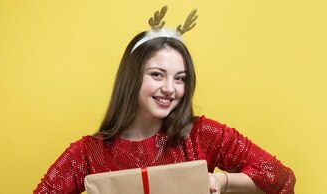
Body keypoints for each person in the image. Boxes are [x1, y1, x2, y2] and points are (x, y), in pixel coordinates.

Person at [34, 5, 295, 194]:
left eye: (180, 78)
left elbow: (281, 178)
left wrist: (221, 182)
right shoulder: (89, 153)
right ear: (132, 77)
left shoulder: (202, 135)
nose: (170, 88)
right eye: (157, 74)